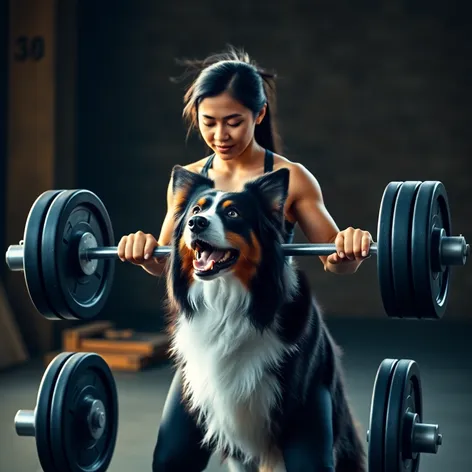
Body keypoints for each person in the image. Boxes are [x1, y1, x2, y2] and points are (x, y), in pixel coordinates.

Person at [117, 47, 372, 471]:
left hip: (280, 337)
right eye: (209, 122)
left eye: (233, 121)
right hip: (208, 335)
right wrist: (141, 249)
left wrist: (349, 244)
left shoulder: (291, 177)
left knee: (314, 468)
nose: (221, 134)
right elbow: (165, 258)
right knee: (171, 460)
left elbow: (335, 258)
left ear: (259, 114)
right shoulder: (188, 180)